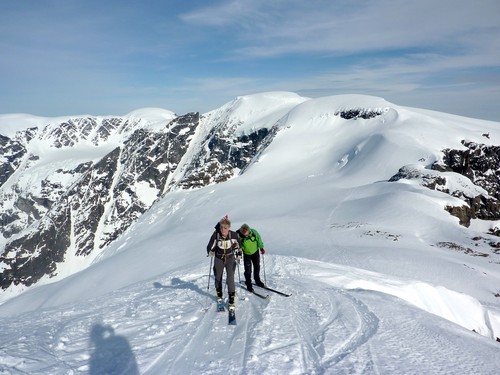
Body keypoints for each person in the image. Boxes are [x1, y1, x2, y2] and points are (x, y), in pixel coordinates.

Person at [206, 215, 242, 307]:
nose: (223, 230)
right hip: (219, 258)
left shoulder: (233, 234)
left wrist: (239, 254)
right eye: (221, 227)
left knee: (230, 278)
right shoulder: (216, 234)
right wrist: (210, 251)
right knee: (218, 278)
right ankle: (219, 296)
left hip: (230, 258)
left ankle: (231, 300)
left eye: (225, 228)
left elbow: (239, 244)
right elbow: (209, 244)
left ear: (229, 228)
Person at [237, 223, 265, 292]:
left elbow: (259, 240)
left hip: (255, 252)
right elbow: (237, 244)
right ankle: (248, 283)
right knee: (248, 270)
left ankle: (257, 280)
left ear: (249, 230)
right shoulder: (239, 235)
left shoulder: (254, 232)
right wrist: (238, 251)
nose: (246, 236)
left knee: (257, 266)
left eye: (247, 234)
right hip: (246, 254)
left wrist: (261, 248)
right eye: (245, 235)